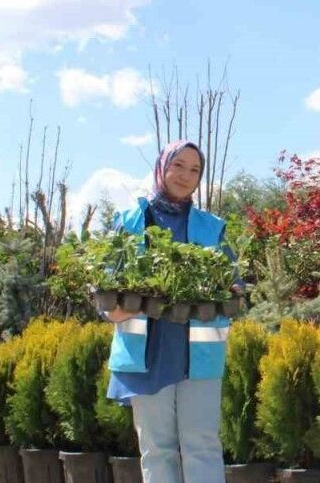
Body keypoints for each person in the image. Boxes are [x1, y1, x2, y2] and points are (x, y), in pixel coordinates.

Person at [104, 140, 233, 483]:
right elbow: (106, 281)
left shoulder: (212, 227)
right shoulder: (131, 221)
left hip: (199, 355)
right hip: (147, 354)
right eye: (178, 165)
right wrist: (114, 309)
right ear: (162, 166)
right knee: (156, 448)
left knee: (202, 445)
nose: (185, 175)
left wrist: (230, 292)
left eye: (195, 169)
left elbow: (233, 282)